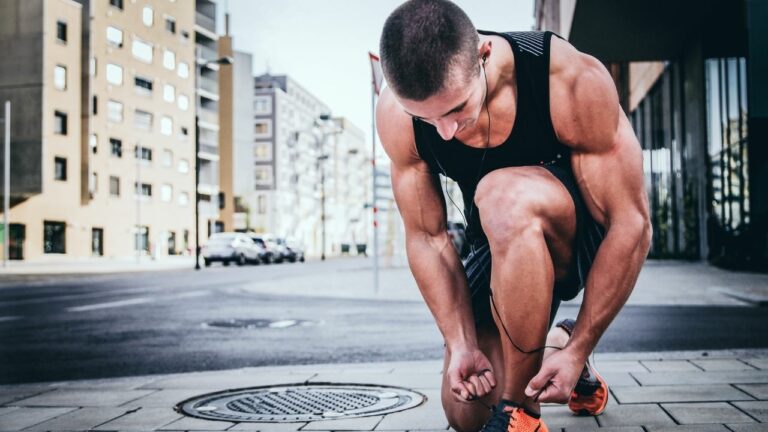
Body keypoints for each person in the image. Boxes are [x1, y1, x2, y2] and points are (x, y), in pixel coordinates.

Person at [375, 1, 652, 431]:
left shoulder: (565, 78)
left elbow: (631, 223)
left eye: (455, 109)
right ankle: (551, 345)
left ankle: (521, 415)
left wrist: (582, 343)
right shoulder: (396, 115)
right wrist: (461, 342)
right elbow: (427, 237)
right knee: (466, 410)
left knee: (502, 194)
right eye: (424, 118)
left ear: (484, 56)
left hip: (574, 237)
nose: (445, 132)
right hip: (497, 242)